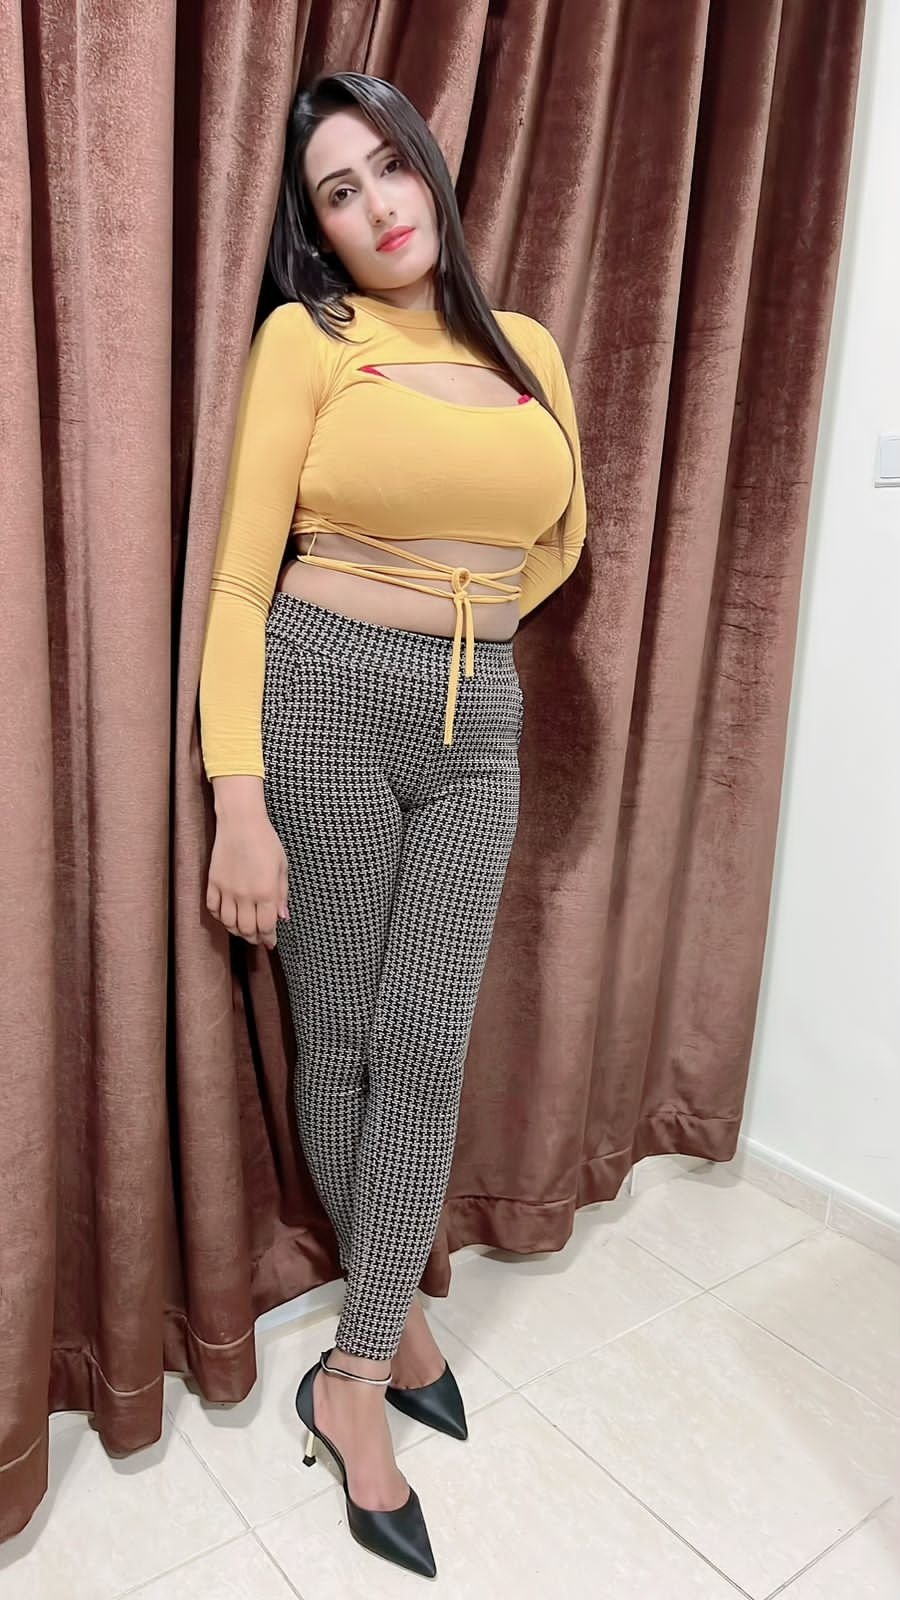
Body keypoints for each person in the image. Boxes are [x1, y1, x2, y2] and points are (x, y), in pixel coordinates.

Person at [198, 68, 587, 1579]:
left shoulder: (527, 347)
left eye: (389, 168)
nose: (377, 206)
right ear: (318, 230)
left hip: (478, 718)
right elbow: (243, 580)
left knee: (427, 1046)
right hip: (322, 697)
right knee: (348, 1044)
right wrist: (239, 799)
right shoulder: (311, 340)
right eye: (338, 192)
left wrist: (456, 616)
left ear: (431, 167)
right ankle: (385, 1349)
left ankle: (351, 1365)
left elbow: (560, 539)